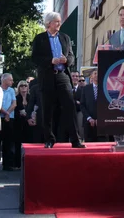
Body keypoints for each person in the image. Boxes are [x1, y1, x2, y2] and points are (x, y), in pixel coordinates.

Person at [31, 11, 85, 149]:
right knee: (47, 109)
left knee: (70, 106)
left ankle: (75, 140)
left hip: (62, 75)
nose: (59, 24)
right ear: (49, 23)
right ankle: (49, 139)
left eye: (60, 21)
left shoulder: (65, 38)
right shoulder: (40, 38)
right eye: (57, 21)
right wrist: (51, 61)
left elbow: (72, 56)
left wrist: (66, 60)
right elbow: (35, 59)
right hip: (47, 76)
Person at [0, 73, 16, 171]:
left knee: (8, 141)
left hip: (9, 118)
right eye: (10, 80)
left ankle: (7, 164)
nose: (12, 82)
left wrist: (8, 113)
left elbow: (14, 103)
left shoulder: (12, 90)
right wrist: (5, 113)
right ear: (4, 80)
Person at [80, 69, 101, 142]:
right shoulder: (86, 88)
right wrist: (89, 118)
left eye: (98, 73)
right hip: (88, 123)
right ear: (91, 76)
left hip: (101, 125)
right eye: (95, 73)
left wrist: (101, 119)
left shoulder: (105, 88)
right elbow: (82, 105)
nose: (97, 75)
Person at [14, 80, 31, 168]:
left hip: (29, 123)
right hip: (19, 123)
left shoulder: (30, 97)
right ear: (18, 88)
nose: (23, 87)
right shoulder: (16, 98)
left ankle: (28, 161)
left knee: (29, 142)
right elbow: (15, 110)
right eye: (21, 86)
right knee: (18, 143)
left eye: (25, 85)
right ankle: (18, 163)